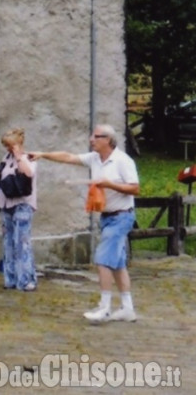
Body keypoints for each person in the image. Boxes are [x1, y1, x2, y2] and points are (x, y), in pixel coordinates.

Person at [30, 123, 140, 323]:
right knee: (117, 264)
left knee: (102, 259)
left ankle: (105, 308)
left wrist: (109, 184)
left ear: (108, 139)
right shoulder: (95, 158)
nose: (91, 139)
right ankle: (127, 308)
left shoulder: (123, 161)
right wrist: (43, 154)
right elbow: (68, 157)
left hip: (122, 216)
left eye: (96, 136)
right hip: (107, 218)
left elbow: (135, 189)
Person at [0, 127, 37, 292]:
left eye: (10, 145)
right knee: (8, 242)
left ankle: (27, 280)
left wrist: (19, 156)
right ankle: (11, 278)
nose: (7, 149)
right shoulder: (5, 159)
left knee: (22, 243)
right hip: (7, 203)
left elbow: (28, 173)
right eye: (6, 146)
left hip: (22, 204)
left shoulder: (29, 158)